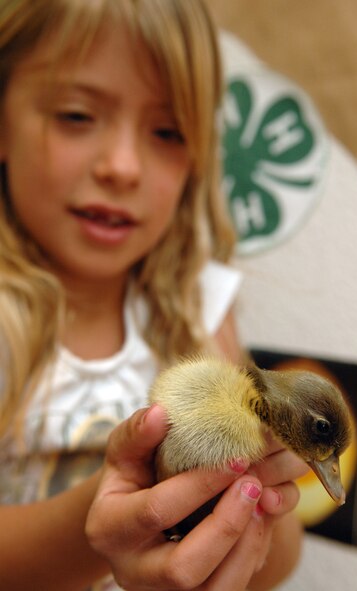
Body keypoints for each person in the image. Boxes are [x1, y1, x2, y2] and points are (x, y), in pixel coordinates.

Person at [0, 0, 307, 589]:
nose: (122, 167)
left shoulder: (198, 311)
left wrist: (262, 482)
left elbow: (279, 564)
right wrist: (119, 514)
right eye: (76, 115)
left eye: (167, 131)